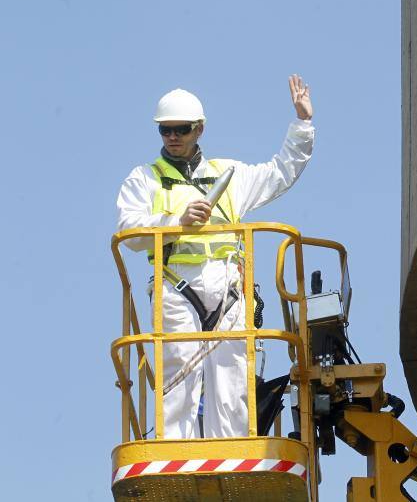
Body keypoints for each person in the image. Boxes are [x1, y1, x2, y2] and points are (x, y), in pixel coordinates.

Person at [116, 76, 314, 438]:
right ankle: (175, 452)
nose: (173, 136)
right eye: (165, 130)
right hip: (176, 286)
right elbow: (128, 230)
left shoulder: (228, 176)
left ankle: (232, 451)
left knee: (232, 378)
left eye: (181, 129)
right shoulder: (145, 179)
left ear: (199, 129)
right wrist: (176, 222)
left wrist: (302, 125)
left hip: (228, 288)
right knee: (178, 375)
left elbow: (280, 172)